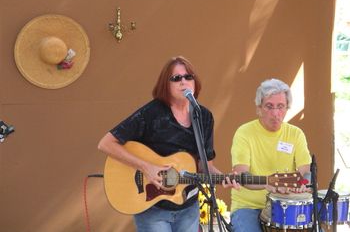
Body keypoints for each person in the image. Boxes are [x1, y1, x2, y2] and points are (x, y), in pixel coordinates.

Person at [98, 56, 227, 232]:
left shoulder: (203, 116)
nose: (184, 82)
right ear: (165, 85)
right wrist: (146, 167)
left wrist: (226, 178)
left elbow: (204, 167)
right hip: (152, 208)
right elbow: (106, 143)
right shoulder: (151, 114)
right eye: (176, 78)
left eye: (188, 77)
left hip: (188, 206)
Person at [229, 78, 311, 232]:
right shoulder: (244, 133)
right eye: (269, 106)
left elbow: (305, 173)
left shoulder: (296, 134)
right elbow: (241, 175)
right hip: (248, 207)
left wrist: (302, 185)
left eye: (280, 106)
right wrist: (268, 184)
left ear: (287, 108)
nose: (275, 113)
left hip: (284, 205)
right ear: (259, 108)